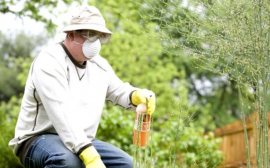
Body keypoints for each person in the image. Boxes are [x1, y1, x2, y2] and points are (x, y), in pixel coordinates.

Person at [8, 5, 156, 168]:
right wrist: (90, 157)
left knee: (128, 165)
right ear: (71, 34)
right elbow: (61, 114)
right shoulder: (49, 61)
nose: (96, 42)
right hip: (37, 139)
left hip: (82, 140)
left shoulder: (100, 65)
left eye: (99, 36)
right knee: (68, 162)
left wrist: (136, 96)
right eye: (90, 35)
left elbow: (119, 91)